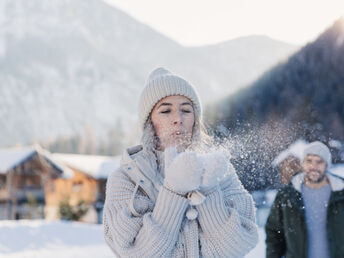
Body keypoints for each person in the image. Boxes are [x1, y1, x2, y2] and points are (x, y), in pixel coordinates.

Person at [103, 67, 258, 257]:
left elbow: (237, 247)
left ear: (195, 120)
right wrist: (174, 192)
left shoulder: (219, 171)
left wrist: (209, 192)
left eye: (186, 110)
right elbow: (137, 254)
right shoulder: (125, 179)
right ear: (149, 122)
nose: (178, 118)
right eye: (166, 110)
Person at [265, 141, 344, 258]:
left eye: (319, 161)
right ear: (303, 163)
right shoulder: (287, 194)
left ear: (327, 165)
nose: (314, 167)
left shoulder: (341, 193)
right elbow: (274, 233)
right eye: (309, 161)